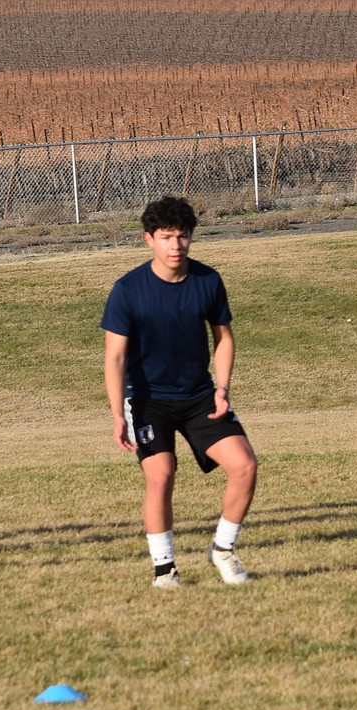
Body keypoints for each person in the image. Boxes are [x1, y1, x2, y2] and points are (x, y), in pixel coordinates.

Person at [101, 196, 258, 589]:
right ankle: (165, 570)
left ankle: (222, 549)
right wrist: (118, 413)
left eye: (183, 237)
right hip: (147, 399)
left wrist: (222, 388)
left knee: (245, 466)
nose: (176, 246)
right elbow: (115, 358)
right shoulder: (128, 290)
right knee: (161, 476)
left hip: (200, 396)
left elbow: (223, 339)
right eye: (167, 237)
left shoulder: (208, 281)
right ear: (148, 240)